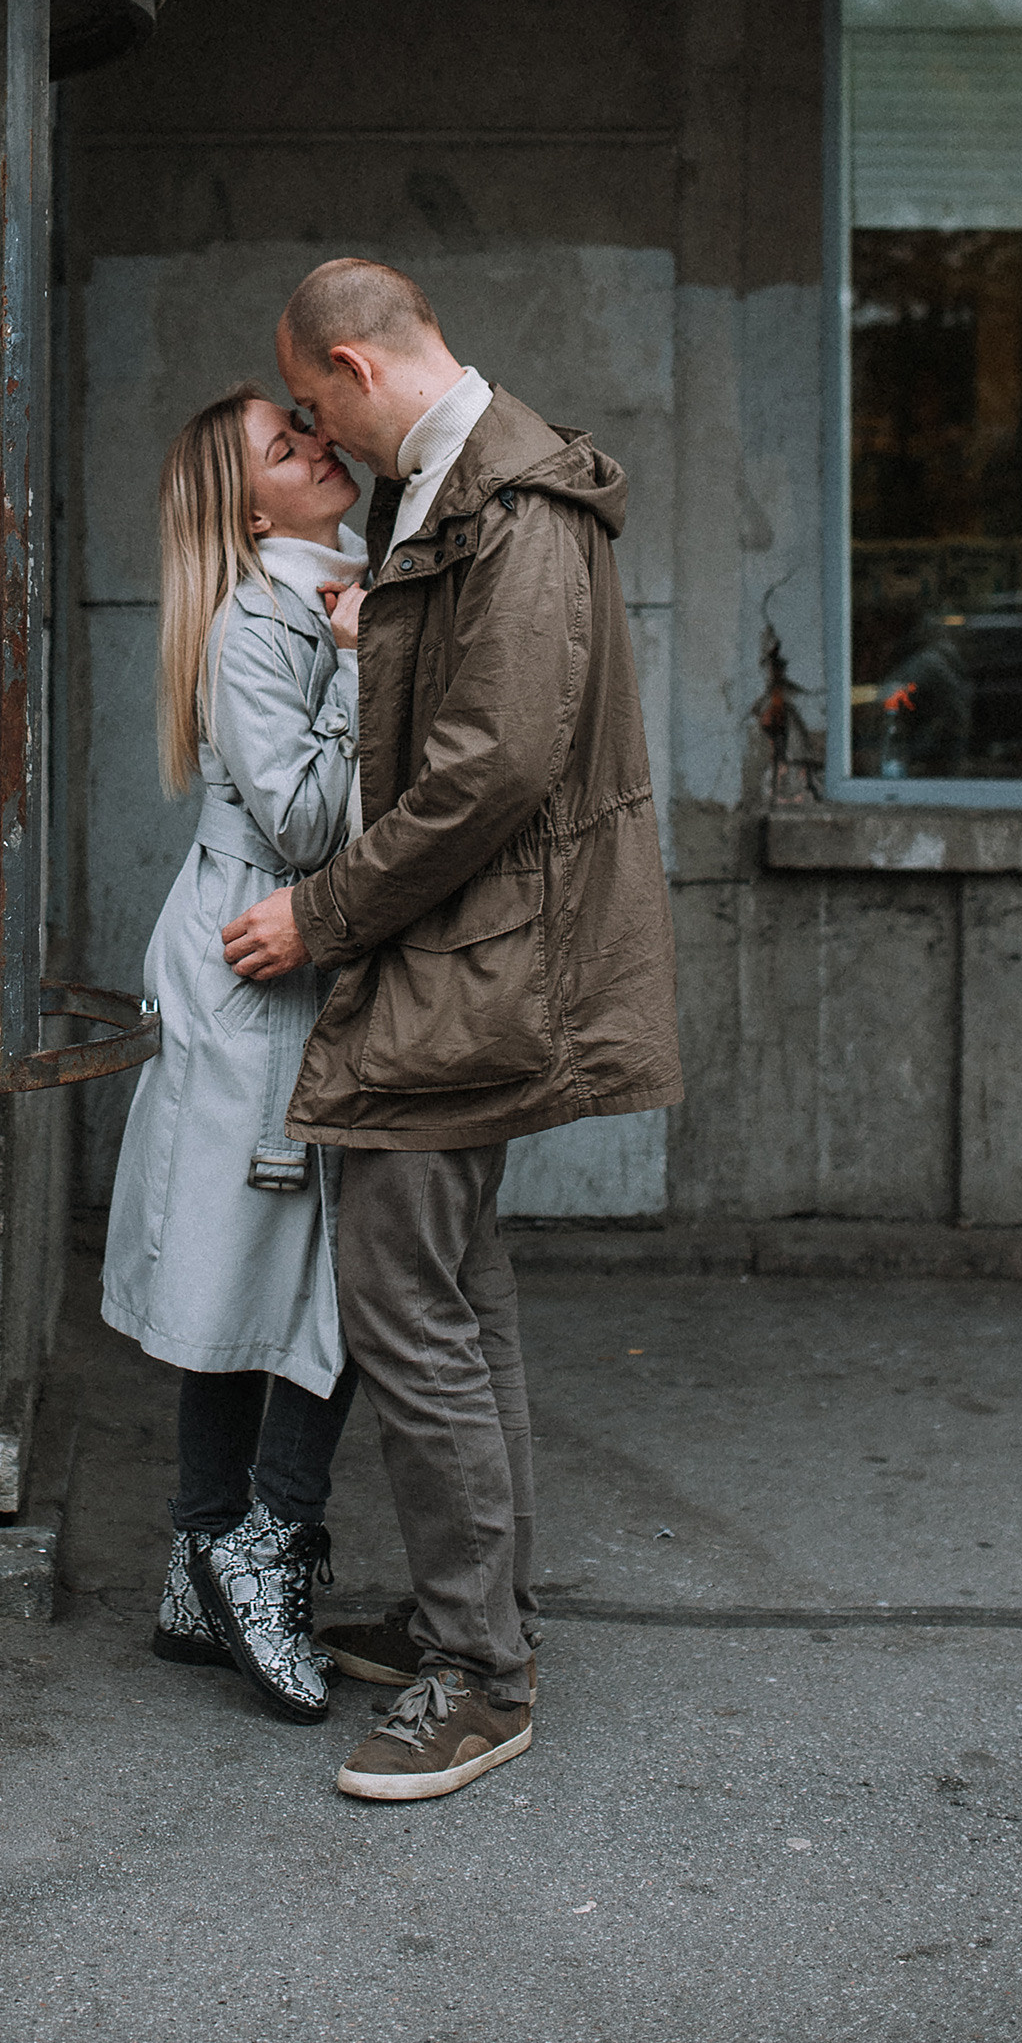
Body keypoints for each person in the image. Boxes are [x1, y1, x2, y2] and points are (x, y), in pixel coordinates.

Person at [224, 259, 681, 1803]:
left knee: (408, 1317)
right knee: (457, 1306)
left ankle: (478, 1677)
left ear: (351, 365)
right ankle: (469, 1621)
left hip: (460, 973)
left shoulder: (509, 505)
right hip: (462, 964)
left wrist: (321, 915)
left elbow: (488, 772)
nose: (315, 435)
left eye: (309, 404)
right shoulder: (458, 494)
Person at [102, 386, 369, 1722]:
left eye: (314, 429)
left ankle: (203, 1556)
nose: (324, 450)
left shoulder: (305, 597)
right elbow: (315, 822)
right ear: (247, 506)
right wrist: (370, 665)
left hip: (282, 966)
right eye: (288, 447)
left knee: (260, 1272)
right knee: (308, 1276)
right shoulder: (264, 626)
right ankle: (256, 1545)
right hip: (261, 973)